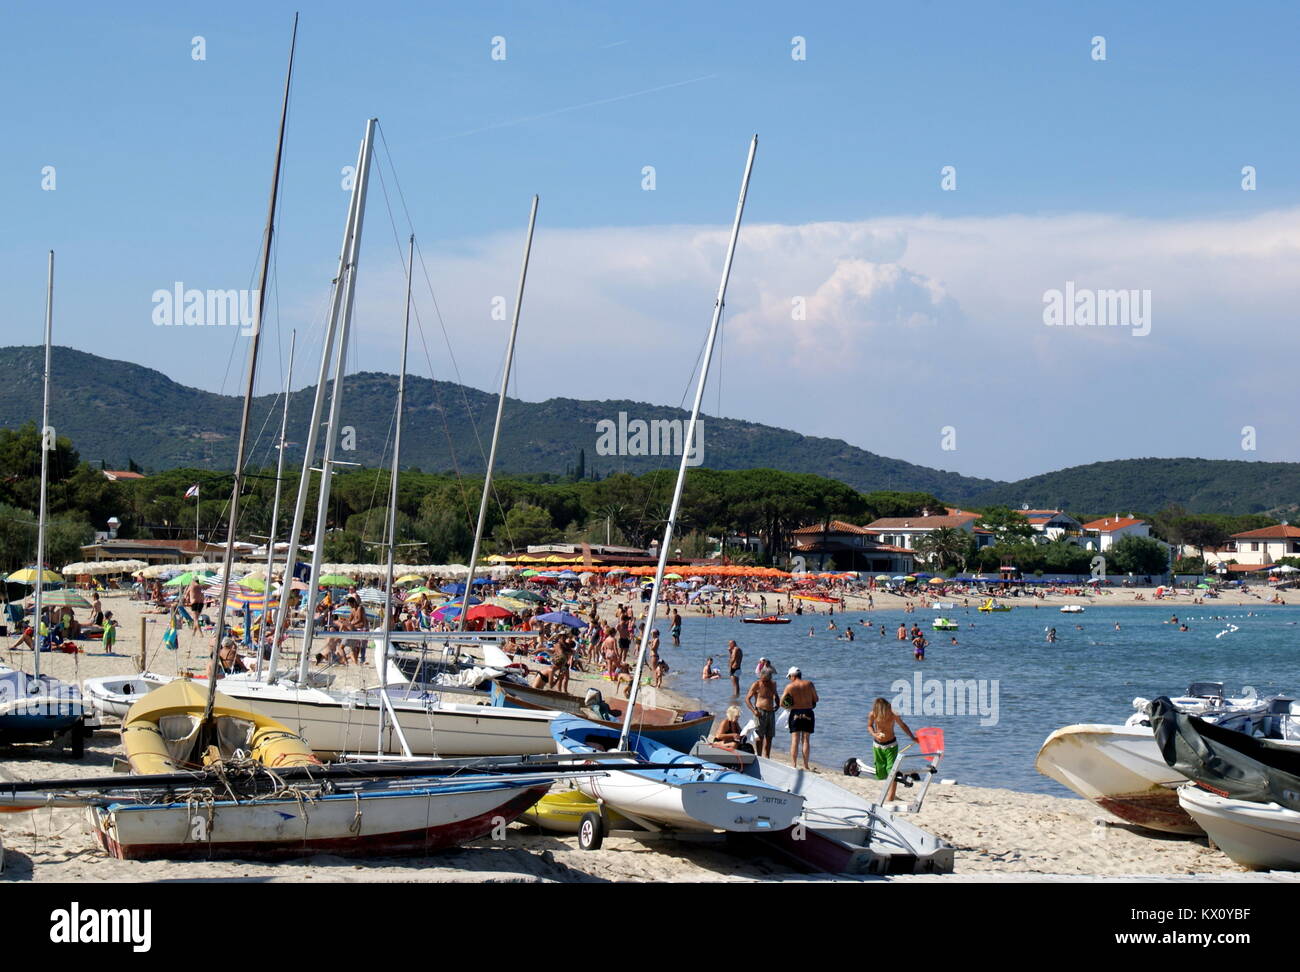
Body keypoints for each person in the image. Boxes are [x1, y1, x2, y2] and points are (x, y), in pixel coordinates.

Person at [869, 697, 919, 803]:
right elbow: (869, 726)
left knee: (891, 770)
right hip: (877, 746)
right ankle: (898, 778)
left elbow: (903, 725)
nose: (886, 711)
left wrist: (912, 737)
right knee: (881, 772)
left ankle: (891, 796)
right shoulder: (873, 714)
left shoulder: (893, 714)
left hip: (891, 745)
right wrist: (874, 734)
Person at [781, 667, 819, 770]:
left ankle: (794, 764)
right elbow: (816, 699)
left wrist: (791, 705)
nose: (789, 679)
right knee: (806, 740)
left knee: (795, 740)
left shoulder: (790, 687)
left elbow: (782, 703)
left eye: (789, 677)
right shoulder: (809, 684)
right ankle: (806, 765)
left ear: (793, 676)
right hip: (808, 712)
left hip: (795, 713)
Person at [746, 666, 779, 758]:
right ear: (761, 676)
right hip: (760, 712)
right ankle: (759, 756)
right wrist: (754, 711)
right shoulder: (757, 684)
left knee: (769, 736)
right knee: (760, 736)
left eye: (766, 680)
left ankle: (767, 756)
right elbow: (747, 699)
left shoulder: (773, 684)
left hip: (771, 712)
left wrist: (778, 704)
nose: (764, 682)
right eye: (763, 680)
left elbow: (776, 695)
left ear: (770, 677)